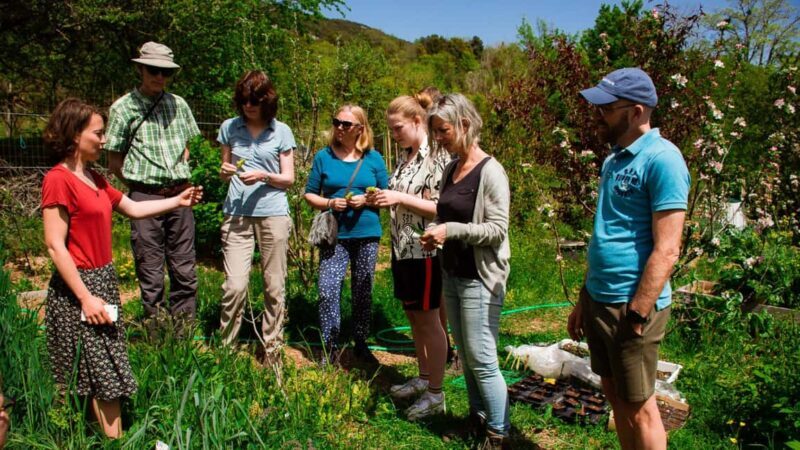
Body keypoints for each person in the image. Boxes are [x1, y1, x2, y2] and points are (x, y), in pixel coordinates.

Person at [41, 98, 202, 438]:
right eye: (98, 134)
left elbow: (130, 207)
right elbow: (56, 246)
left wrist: (177, 200)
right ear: (74, 135)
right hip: (79, 287)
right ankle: (115, 442)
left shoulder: (94, 178)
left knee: (102, 363)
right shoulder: (59, 180)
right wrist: (86, 298)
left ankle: (95, 436)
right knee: (103, 370)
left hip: (102, 280)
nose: (104, 140)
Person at [568, 68, 690, 450]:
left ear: (636, 111)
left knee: (641, 409)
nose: (598, 115)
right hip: (599, 298)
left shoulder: (663, 159)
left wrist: (637, 314)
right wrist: (583, 299)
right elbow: (608, 232)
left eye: (606, 108)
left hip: (630, 305)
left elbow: (668, 247)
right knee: (615, 399)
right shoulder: (614, 159)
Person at [420, 93, 511, 448]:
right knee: (468, 354)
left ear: (465, 124)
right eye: (436, 132)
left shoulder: (491, 171)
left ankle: (498, 434)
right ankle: (479, 420)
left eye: (443, 131)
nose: (439, 139)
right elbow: (447, 213)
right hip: (453, 274)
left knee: (483, 359)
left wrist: (450, 231)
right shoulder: (450, 168)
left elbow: (497, 230)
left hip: (480, 278)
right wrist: (436, 233)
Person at [106, 41, 201, 327]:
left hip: (181, 194)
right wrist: (141, 188)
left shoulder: (178, 104)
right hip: (144, 197)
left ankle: (183, 334)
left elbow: (186, 147)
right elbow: (114, 161)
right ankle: (157, 333)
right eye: (153, 70)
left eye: (165, 72)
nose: (159, 77)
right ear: (140, 69)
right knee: (150, 267)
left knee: (184, 266)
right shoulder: (123, 108)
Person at [367, 93, 449, 420]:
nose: (394, 134)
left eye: (398, 127)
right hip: (403, 250)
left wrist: (399, 197)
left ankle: (436, 394)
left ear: (417, 121)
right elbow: (403, 199)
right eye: (390, 129)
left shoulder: (436, 158)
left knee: (430, 321)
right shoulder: (405, 157)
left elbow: (442, 207)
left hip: (426, 250)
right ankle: (424, 377)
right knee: (414, 318)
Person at [216, 70, 296, 361]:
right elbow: (225, 171)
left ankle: (272, 349)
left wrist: (264, 175)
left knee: (274, 284)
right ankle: (227, 350)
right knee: (234, 285)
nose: (248, 105)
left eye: (254, 100)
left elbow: (289, 178)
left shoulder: (281, 131)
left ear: (267, 101)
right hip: (236, 215)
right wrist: (226, 171)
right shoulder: (229, 128)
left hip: (272, 214)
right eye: (244, 100)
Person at [304, 104, 389, 365]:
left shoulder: (374, 158)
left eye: (346, 124)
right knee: (328, 289)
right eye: (336, 122)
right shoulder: (324, 157)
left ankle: (361, 343)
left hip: (366, 233)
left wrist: (366, 199)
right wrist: (330, 203)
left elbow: (386, 196)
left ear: (360, 129)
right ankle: (330, 346)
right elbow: (309, 194)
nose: (339, 127)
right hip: (335, 236)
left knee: (363, 289)